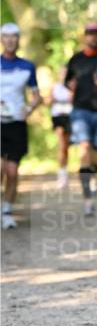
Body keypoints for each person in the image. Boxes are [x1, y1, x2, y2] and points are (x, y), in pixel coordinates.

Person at [65, 23, 97, 216]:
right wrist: (70, 85)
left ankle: (92, 176)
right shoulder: (76, 59)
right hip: (80, 111)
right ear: (85, 36)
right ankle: (88, 199)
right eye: (90, 33)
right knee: (85, 149)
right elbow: (67, 80)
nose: (93, 37)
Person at [1, 23, 42, 229]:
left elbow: (36, 95)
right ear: (1, 39)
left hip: (17, 123)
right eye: (6, 36)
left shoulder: (27, 66)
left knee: (12, 171)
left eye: (13, 37)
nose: (10, 40)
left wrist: (29, 109)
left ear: (18, 40)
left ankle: (7, 211)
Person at [48, 66, 73, 189]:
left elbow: (74, 99)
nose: (64, 75)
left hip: (70, 117)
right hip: (58, 117)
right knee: (62, 145)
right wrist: (53, 99)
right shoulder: (55, 86)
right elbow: (48, 101)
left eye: (66, 73)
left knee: (67, 147)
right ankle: (62, 174)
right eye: (62, 73)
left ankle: (66, 171)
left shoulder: (72, 86)